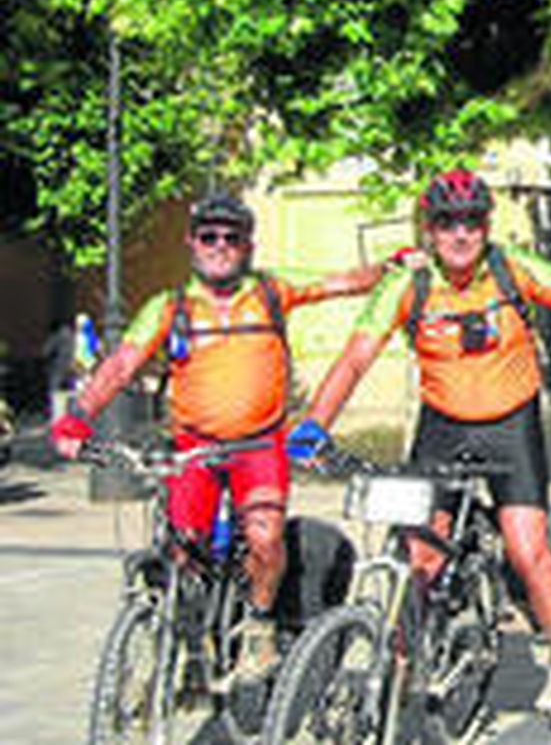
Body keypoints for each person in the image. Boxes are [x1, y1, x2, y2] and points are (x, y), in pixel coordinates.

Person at [291, 169, 551, 635]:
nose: (460, 234)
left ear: (486, 227)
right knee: (421, 559)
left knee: (529, 553)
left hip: (511, 428)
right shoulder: (407, 284)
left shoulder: (511, 267)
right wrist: (314, 426)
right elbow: (354, 360)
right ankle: (400, 670)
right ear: (429, 230)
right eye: (447, 223)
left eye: (472, 222)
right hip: (443, 428)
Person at [49, 193, 405, 678]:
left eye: (232, 237)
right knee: (182, 550)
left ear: (248, 246)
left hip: (259, 447)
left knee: (264, 537)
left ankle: (258, 627)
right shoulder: (169, 307)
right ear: (192, 242)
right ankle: (186, 643)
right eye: (209, 236)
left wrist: (390, 267)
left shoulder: (271, 291)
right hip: (194, 447)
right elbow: (121, 365)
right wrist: (79, 418)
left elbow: (337, 283)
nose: (220, 245)